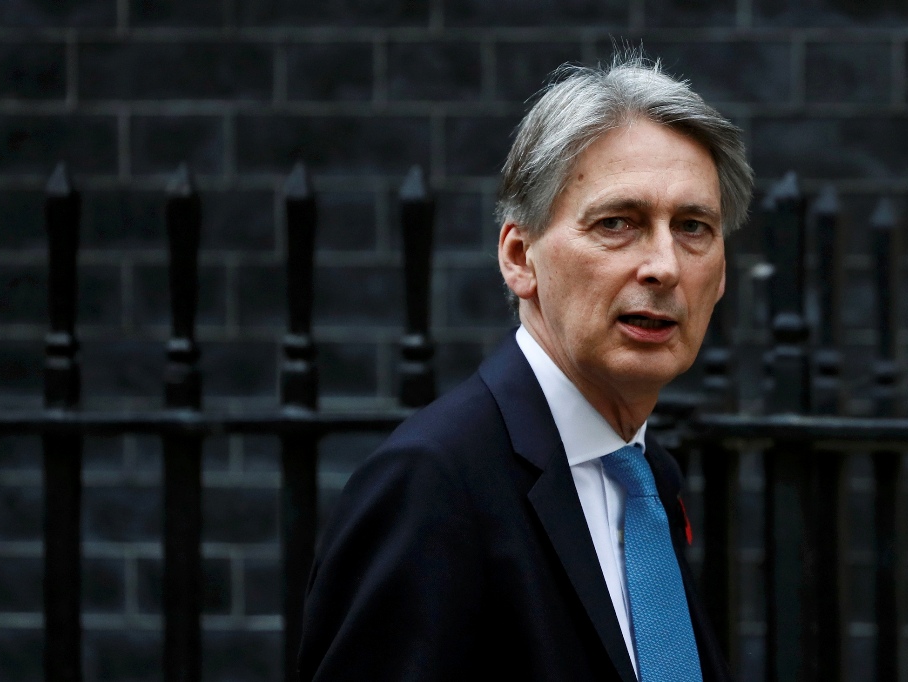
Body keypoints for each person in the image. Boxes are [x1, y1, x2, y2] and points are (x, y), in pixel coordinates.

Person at [298, 54, 753, 682]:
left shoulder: (649, 478)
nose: (664, 266)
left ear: (723, 273)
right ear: (519, 258)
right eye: (618, 223)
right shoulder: (431, 484)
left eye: (693, 227)